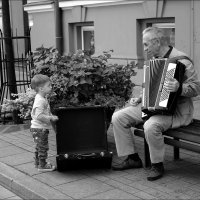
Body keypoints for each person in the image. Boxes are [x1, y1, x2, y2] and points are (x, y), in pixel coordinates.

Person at [111, 27, 200, 181]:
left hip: (176, 111)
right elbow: (150, 86)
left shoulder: (182, 60)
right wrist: (139, 99)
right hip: (152, 107)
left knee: (150, 126)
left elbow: (196, 88)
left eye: (146, 45)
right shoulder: (154, 60)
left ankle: (157, 165)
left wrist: (179, 88)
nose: (144, 49)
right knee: (118, 117)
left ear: (157, 42)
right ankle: (132, 158)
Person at [30, 74, 58, 172]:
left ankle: (38, 163)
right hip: (39, 129)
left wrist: (50, 114)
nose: (51, 87)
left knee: (39, 147)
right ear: (41, 88)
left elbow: (44, 111)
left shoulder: (42, 98)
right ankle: (42, 165)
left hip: (38, 129)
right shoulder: (40, 100)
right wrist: (50, 118)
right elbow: (39, 116)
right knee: (43, 147)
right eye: (49, 85)